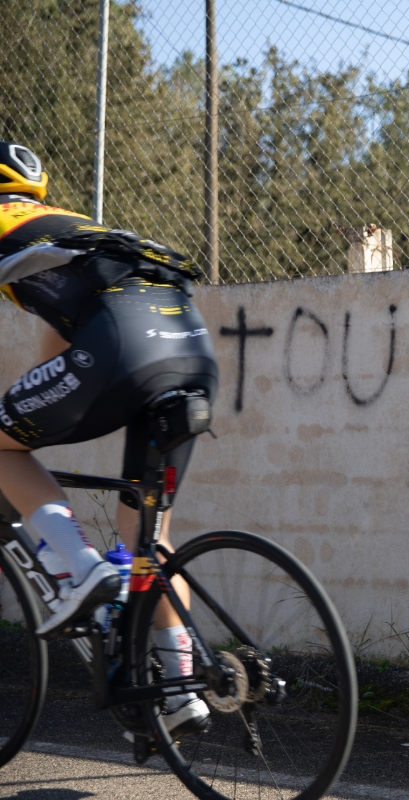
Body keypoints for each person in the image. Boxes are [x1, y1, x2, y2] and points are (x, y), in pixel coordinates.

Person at [0, 142, 219, 736]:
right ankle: (178, 690)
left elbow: (80, 349)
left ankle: (76, 566)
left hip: (122, 349)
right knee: (148, 537)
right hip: (192, 352)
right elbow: (61, 338)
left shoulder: (5, 225)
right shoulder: (75, 228)